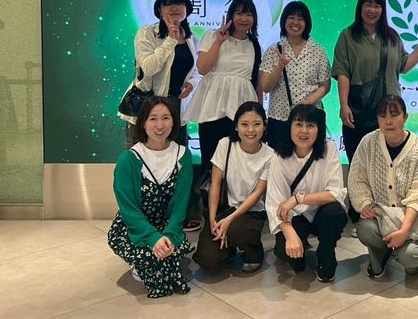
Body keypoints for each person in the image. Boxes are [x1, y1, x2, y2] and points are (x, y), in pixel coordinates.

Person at [332, 0, 418, 225]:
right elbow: (343, 72)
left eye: (377, 5)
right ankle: (360, 213)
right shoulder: (348, 36)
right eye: (368, 4)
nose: (372, 10)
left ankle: (389, 212)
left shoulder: (392, 37)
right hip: (359, 110)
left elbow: (404, 66)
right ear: (360, 7)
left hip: (389, 111)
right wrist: (344, 105)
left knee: (386, 162)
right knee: (360, 163)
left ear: (383, 9)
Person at [118, 0, 201, 230]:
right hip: (146, 109)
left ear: (187, 8)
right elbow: (148, 67)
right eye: (167, 3)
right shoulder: (147, 33)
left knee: (176, 164)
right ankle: (138, 218)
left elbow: (196, 71)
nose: (174, 7)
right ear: (159, 9)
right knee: (139, 164)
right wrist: (169, 42)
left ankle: (176, 216)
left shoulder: (192, 38)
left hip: (175, 110)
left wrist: (192, 83)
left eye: (179, 3)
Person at [108, 97, 193, 298]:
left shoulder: (182, 155)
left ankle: (159, 256)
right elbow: (129, 209)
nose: (160, 125)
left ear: (174, 121)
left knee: (169, 255)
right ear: (143, 123)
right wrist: (154, 238)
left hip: (168, 226)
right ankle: (142, 261)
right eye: (153, 118)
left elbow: (180, 205)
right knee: (150, 260)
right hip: (134, 227)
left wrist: (169, 235)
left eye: (166, 118)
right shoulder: (129, 159)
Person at [348, 95, 418, 278]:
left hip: (412, 218)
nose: (388, 121)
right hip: (382, 215)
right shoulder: (368, 142)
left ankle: (410, 252)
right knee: (365, 228)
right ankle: (382, 253)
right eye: (383, 116)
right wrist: (364, 203)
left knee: (411, 258)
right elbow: (357, 177)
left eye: (394, 115)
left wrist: (404, 231)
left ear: (405, 117)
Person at [266, 104, 348, 283]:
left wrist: (298, 198)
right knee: (290, 257)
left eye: (310, 125)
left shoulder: (329, 149)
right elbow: (274, 203)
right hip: (294, 217)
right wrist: (290, 234)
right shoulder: (279, 156)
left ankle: (326, 252)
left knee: (334, 213)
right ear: (290, 126)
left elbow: (336, 193)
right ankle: (298, 244)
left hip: (321, 213)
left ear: (319, 129)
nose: (304, 131)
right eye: (298, 124)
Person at [184, 0, 262, 183]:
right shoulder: (213, 35)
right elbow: (202, 68)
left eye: (249, 14)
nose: (243, 18)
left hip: (241, 108)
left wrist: (259, 112)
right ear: (231, 15)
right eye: (239, 13)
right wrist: (219, 41)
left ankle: (232, 199)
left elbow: (255, 81)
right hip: (212, 105)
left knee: (237, 160)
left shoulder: (254, 43)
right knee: (210, 158)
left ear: (254, 19)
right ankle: (208, 198)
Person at [193, 101, 273, 274]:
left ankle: (253, 251)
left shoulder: (270, 155)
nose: (251, 130)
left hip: (251, 211)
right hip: (224, 208)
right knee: (208, 261)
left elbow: (258, 193)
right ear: (236, 126)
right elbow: (215, 183)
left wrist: (229, 220)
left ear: (264, 126)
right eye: (244, 124)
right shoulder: (225, 144)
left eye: (257, 124)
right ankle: (227, 248)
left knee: (237, 231)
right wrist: (212, 219)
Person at [259, 1, 331, 152]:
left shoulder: (318, 51)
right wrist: (280, 66)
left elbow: (325, 85)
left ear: (307, 23)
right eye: (291, 17)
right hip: (280, 118)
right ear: (284, 21)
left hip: (310, 118)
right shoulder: (273, 50)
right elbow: (265, 87)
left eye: (301, 19)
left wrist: (306, 103)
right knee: (278, 161)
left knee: (311, 161)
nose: (295, 22)